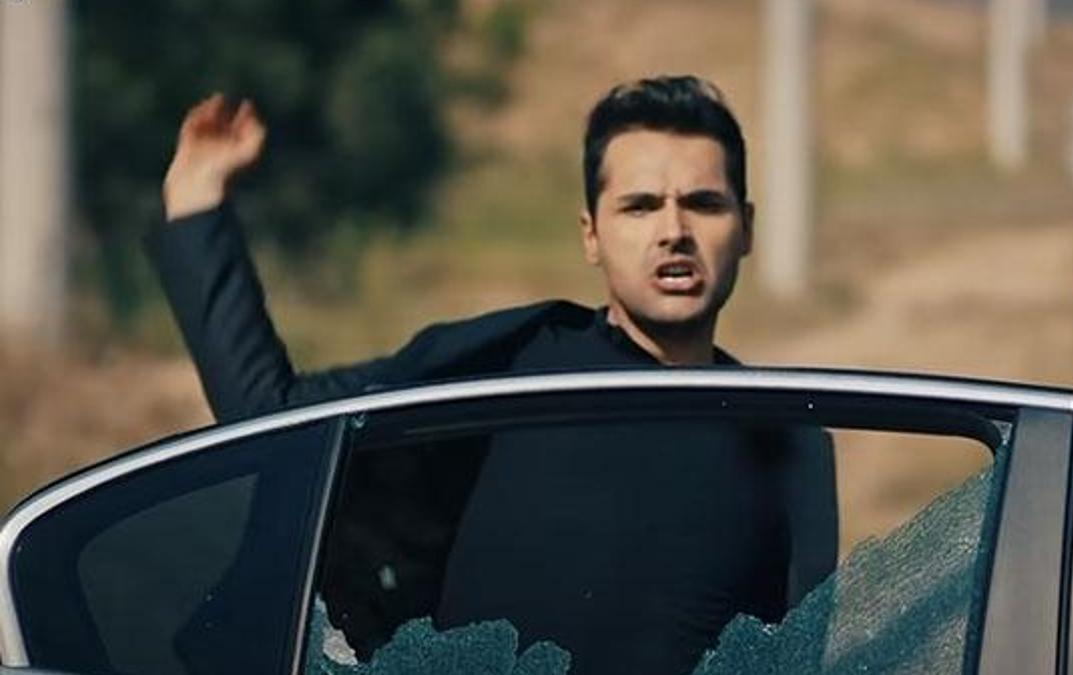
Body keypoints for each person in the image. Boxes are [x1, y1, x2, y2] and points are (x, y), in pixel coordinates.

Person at [147, 75, 837, 674]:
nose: (674, 230)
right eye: (640, 205)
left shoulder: (787, 433)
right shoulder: (513, 368)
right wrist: (197, 198)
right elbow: (275, 417)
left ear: (747, 228)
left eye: (704, 203)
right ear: (591, 234)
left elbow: (796, 657)